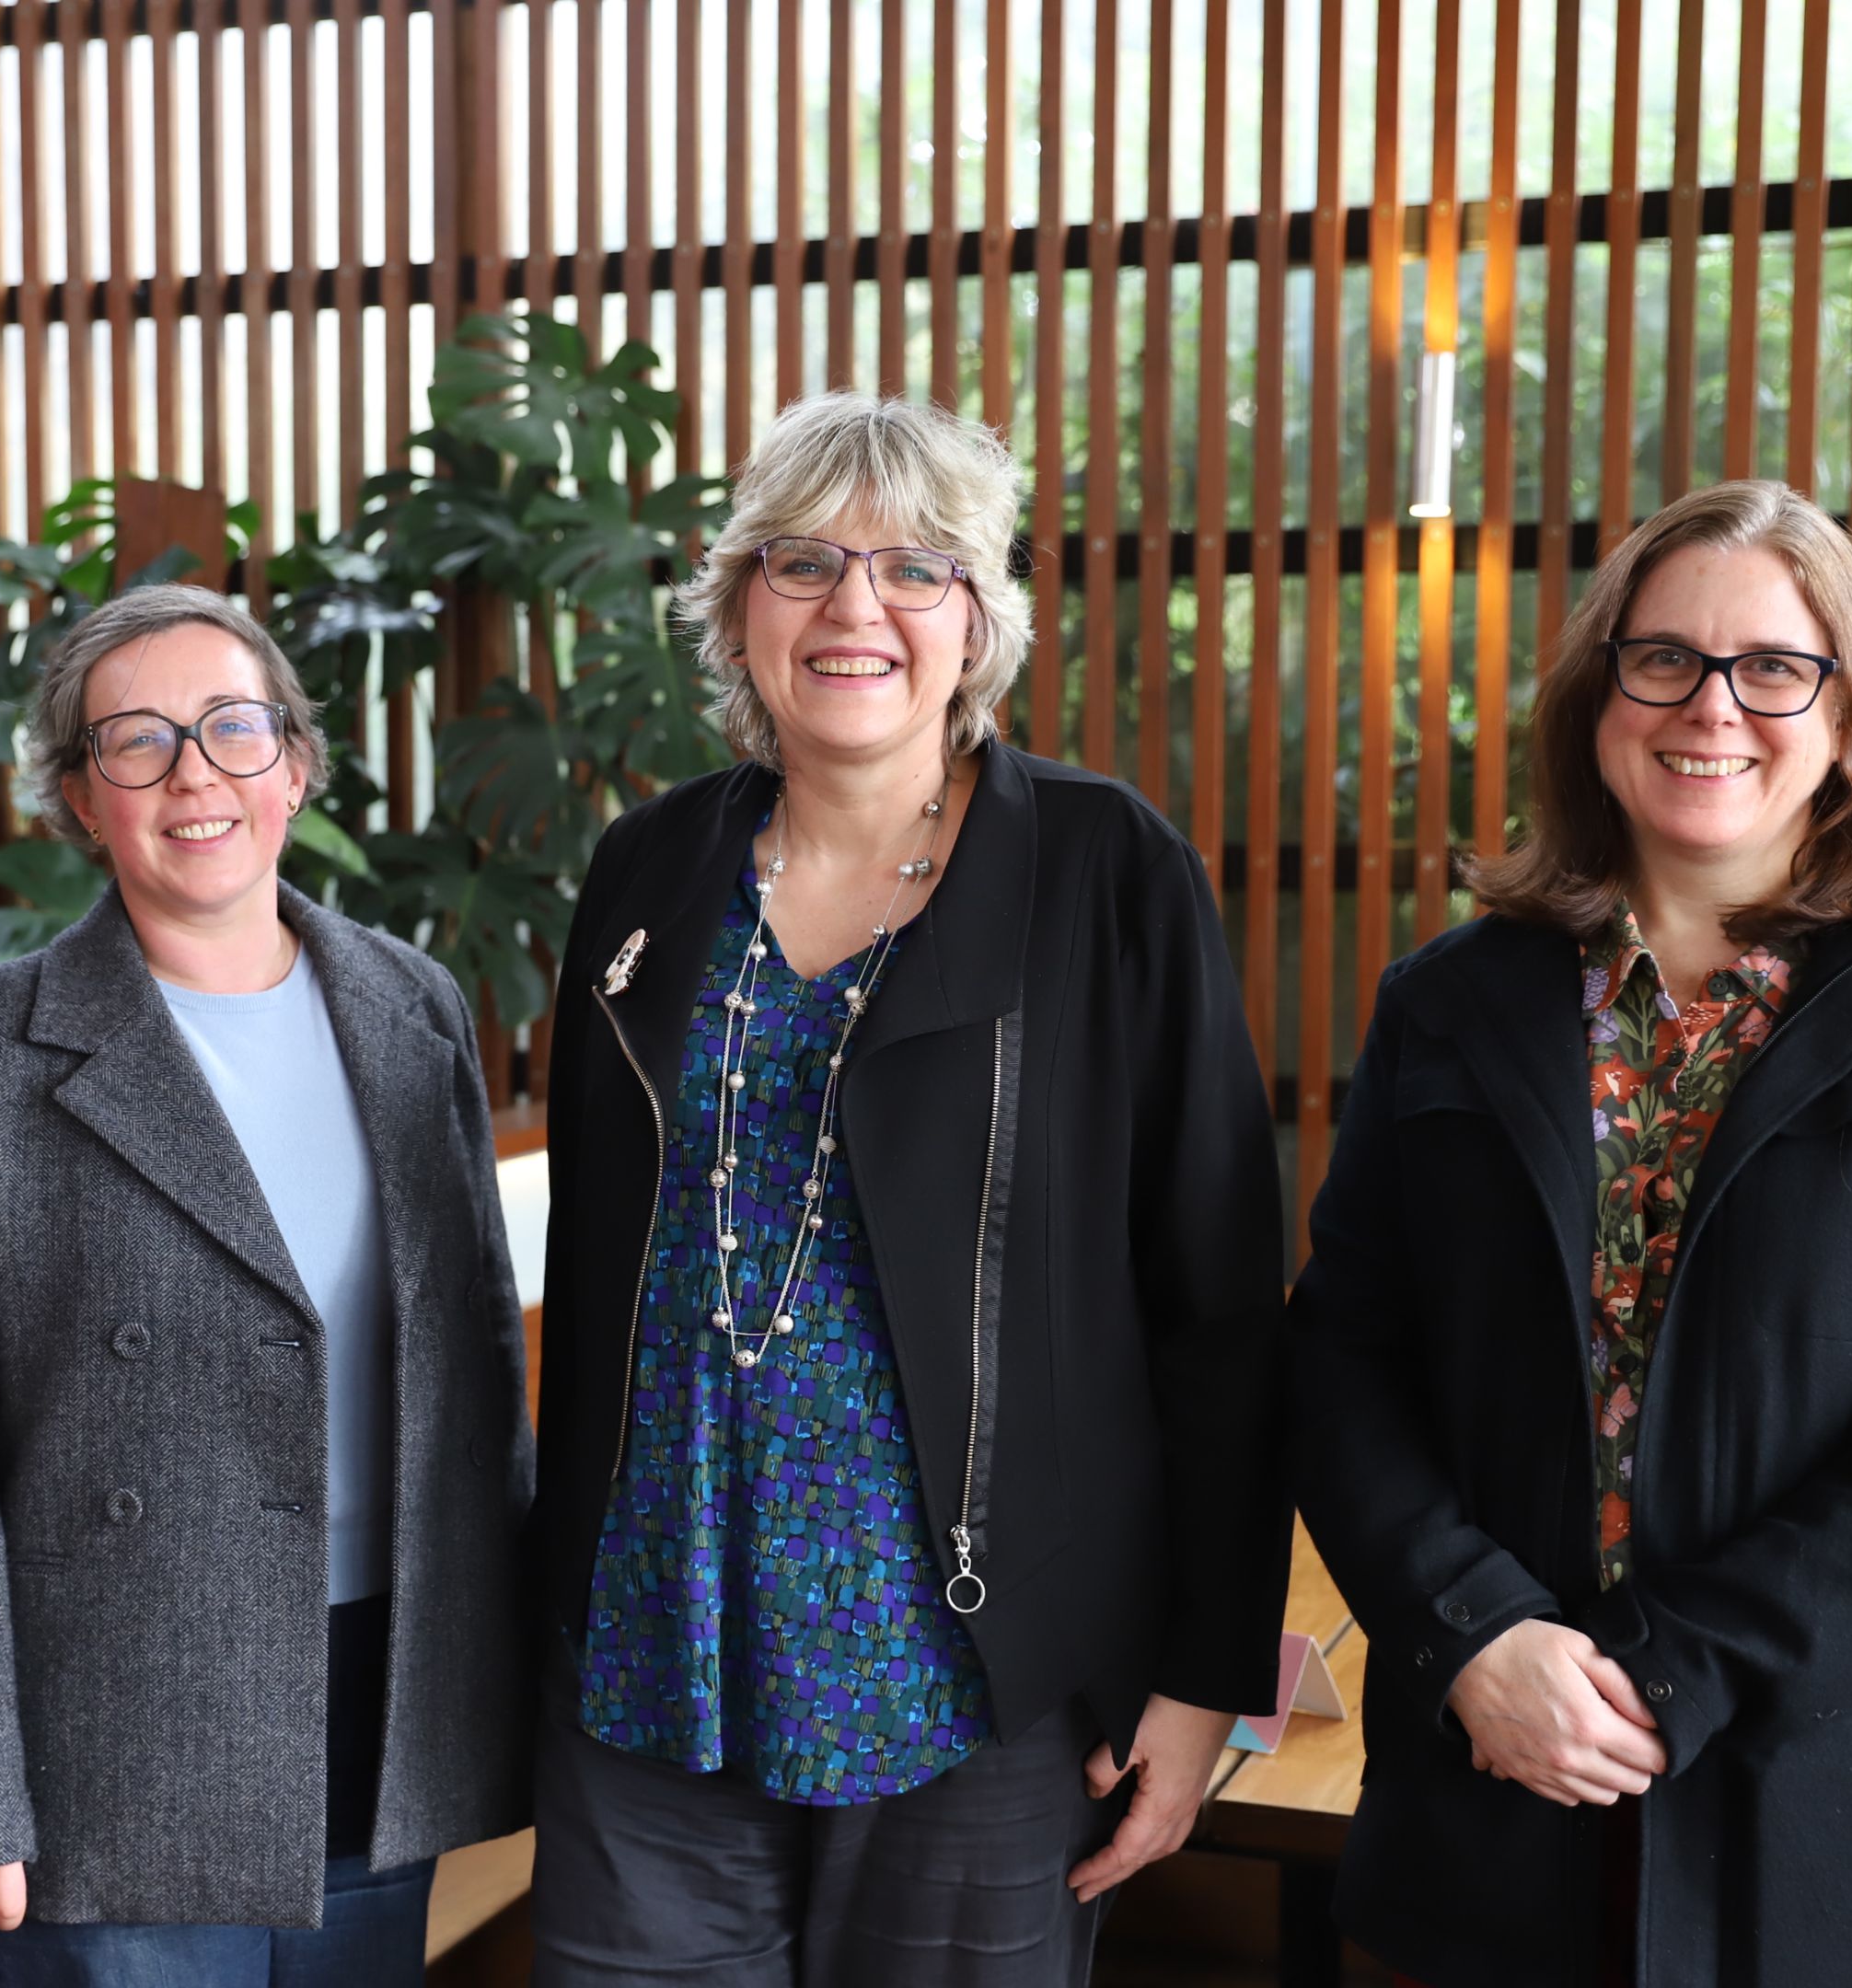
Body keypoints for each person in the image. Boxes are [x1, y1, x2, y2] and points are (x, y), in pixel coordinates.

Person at [1286, 479, 1852, 1988]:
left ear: (1850, 711)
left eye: (1772, 667)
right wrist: (1469, 1633)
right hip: (1497, 1774)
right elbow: (1347, 1351)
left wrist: (1682, 1668)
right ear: (1599, 691)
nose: (1710, 708)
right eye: (1662, 657)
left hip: (1834, 1808)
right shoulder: (1450, 1003)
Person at [525, 391, 1290, 1987]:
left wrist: (1203, 1672)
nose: (853, 607)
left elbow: (1219, 1309)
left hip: (971, 1673)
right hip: (661, 1643)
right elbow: (604, 1270)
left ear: (980, 618)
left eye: (914, 568)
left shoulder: (1102, 872)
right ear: (737, 608)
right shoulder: (646, 873)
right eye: (801, 563)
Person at [0, 584, 533, 1986]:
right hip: (112, 1747)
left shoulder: (414, 1010)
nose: (193, 776)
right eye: (137, 742)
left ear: (293, 762)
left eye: (232, 728)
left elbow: (472, 1375)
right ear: (77, 794)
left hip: (381, 1710)